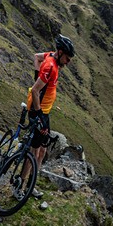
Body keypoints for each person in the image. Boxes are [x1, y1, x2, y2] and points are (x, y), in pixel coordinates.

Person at [20, 35, 75, 190]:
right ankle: (21, 185)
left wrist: (37, 77)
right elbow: (36, 91)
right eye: (68, 58)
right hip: (39, 112)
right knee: (34, 151)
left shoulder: (51, 56)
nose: (69, 62)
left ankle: (31, 182)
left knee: (43, 150)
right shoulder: (50, 66)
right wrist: (38, 115)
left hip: (45, 111)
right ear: (60, 52)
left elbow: (36, 57)